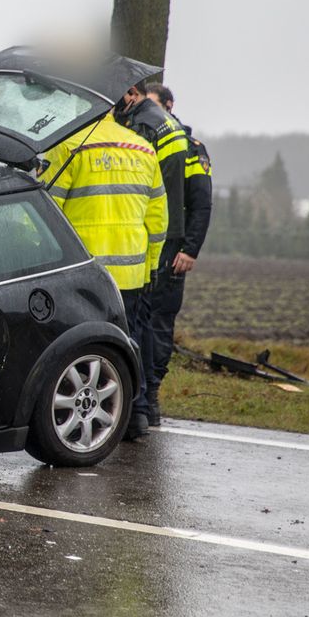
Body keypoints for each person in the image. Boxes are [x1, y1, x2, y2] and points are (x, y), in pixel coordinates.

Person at [40, 111, 167, 440]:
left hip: (85, 274)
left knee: (81, 346)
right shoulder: (143, 149)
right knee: (131, 340)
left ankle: (85, 419)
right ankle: (136, 415)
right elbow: (158, 220)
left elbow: (47, 211)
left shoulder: (70, 147)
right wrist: (150, 265)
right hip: (131, 270)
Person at [112, 83, 189, 437]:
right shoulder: (166, 123)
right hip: (154, 241)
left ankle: (136, 409)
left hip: (134, 247)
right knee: (143, 326)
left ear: (130, 93)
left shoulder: (141, 129)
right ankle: (142, 409)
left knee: (134, 329)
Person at [142, 83, 213, 426]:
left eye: (155, 107)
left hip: (174, 248)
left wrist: (190, 249)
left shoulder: (191, 150)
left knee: (159, 322)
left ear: (169, 106)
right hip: (144, 243)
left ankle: (151, 394)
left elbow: (202, 203)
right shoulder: (142, 141)